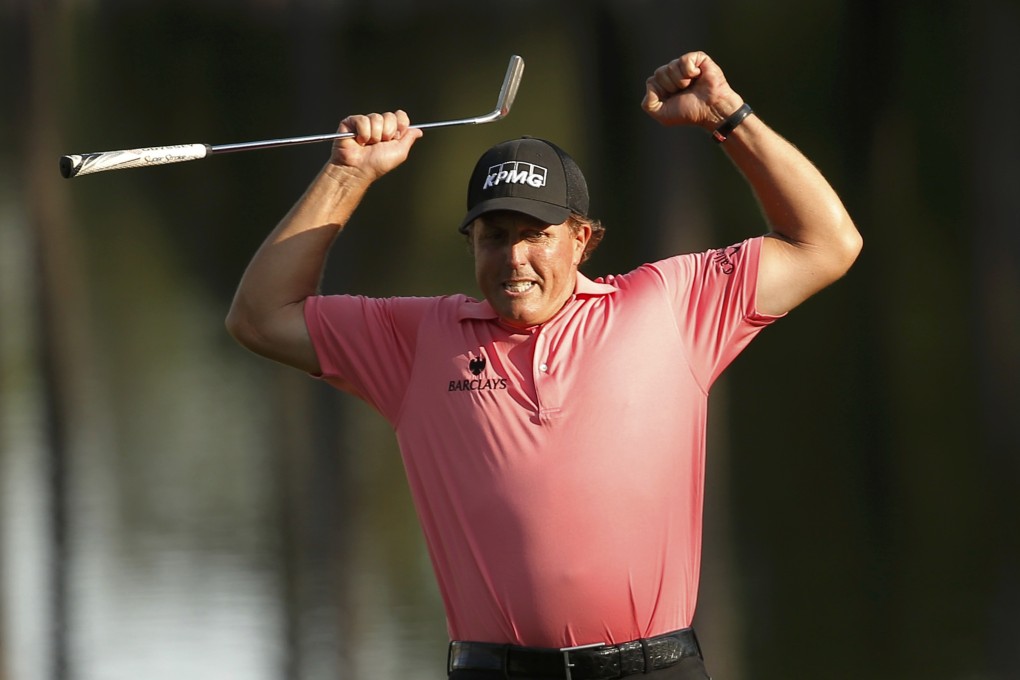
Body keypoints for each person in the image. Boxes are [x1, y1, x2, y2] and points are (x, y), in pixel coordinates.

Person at [226, 51, 862, 680]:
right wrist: (348, 175)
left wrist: (727, 113)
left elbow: (827, 242)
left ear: (582, 237)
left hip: (651, 669)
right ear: (472, 241)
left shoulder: (669, 305)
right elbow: (258, 317)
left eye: (536, 235)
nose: (513, 259)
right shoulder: (418, 339)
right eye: (494, 236)